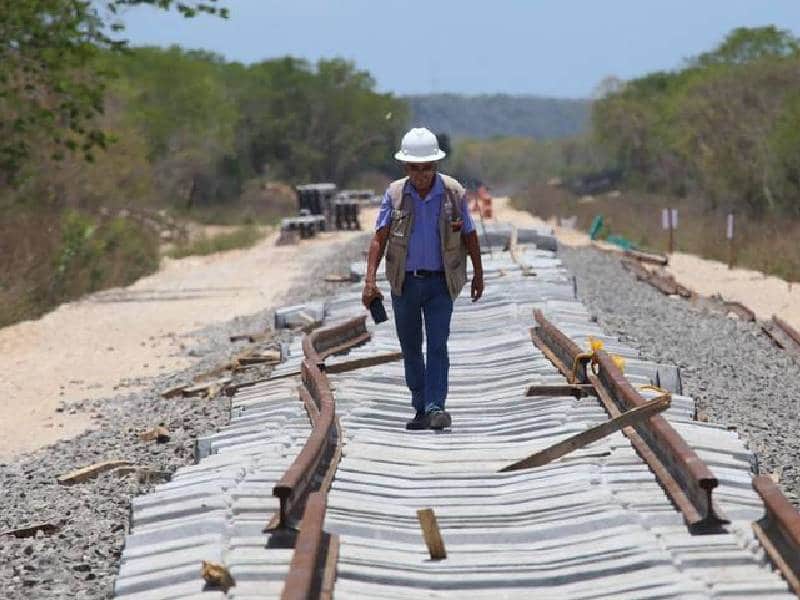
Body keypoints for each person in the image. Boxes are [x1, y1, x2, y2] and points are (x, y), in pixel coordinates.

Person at [361, 127, 484, 430]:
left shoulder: (453, 193)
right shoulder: (395, 194)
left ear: (436, 165)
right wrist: (369, 281)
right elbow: (379, 238)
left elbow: (469, 234)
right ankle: (420, 408)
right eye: (414, 168)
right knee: (411, 347)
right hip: (404, 284)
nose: (420, 174)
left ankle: (436, 407)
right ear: (405, 167)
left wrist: (478, 275)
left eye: (426, 168)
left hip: (441, 284)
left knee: (438, 345)